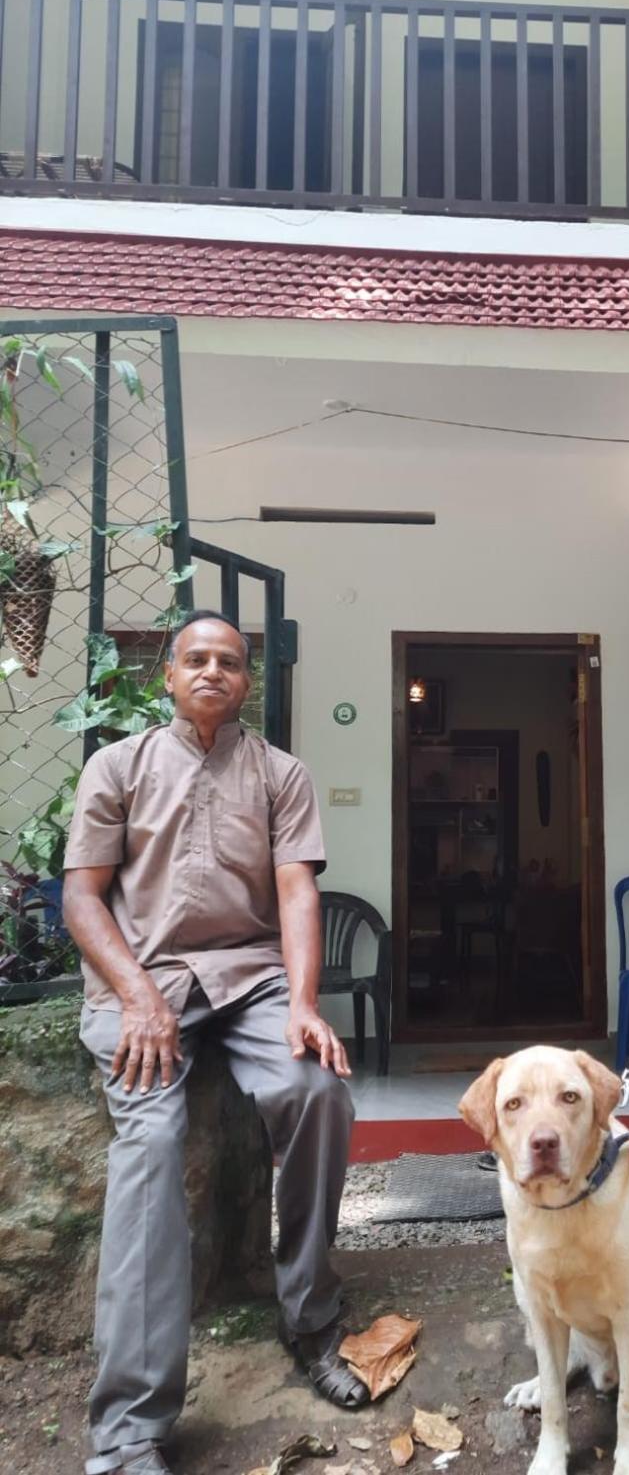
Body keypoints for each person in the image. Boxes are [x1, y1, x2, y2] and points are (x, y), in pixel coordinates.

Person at [64, 610, 368, 1475]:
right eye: (195, 659)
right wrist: (137, 996)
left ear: (246, 682)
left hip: (252, 978)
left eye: (229, 663)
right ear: (167, 675)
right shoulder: (116, 766)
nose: (212, 672)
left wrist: (305, 1001)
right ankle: (129, 1427)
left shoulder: (280, 773)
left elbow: (297, 891)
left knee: (316, 1091)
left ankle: (308, 1316)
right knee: (152, 1144)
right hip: (143, 977)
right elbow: (83, 899)